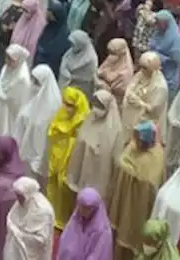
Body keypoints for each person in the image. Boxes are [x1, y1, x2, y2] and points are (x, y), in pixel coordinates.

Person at [109, 123, 166, 260]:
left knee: (134, 231)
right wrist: (129, 170)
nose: (137, 142)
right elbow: (122, 159)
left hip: (140, 203)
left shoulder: (156, 155)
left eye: (140, 139)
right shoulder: (133, 146)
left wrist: (132, 173)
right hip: (126, 197)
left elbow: (150, 181)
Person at [67, 89, 125, 200]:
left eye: (100, 105)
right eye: (94, 104)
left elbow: (116, 159)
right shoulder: (90, 120)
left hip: (101, 172)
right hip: (85, 168)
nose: (96, 108)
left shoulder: (115, 130)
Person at [45, 86, 90, 224]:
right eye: (64, 103)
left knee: (65, 190)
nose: (66, 107)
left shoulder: (83, 122)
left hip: (70, 161)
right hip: (57, 158)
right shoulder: (61, 114)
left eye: (70, 105)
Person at [3, 177, 54, 260]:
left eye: (20, 196)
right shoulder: (21, 203)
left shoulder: (43, 211)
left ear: (28, 194)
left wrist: (20, 235)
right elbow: (11, 218)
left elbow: (41, 240)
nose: (17, 198)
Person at [56, 188, 113, 260]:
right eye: (81, 206)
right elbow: (66, 243)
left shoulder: (103, 230)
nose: (83, 210)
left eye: (88, 208)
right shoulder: (76, 218)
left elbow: (98, 255)